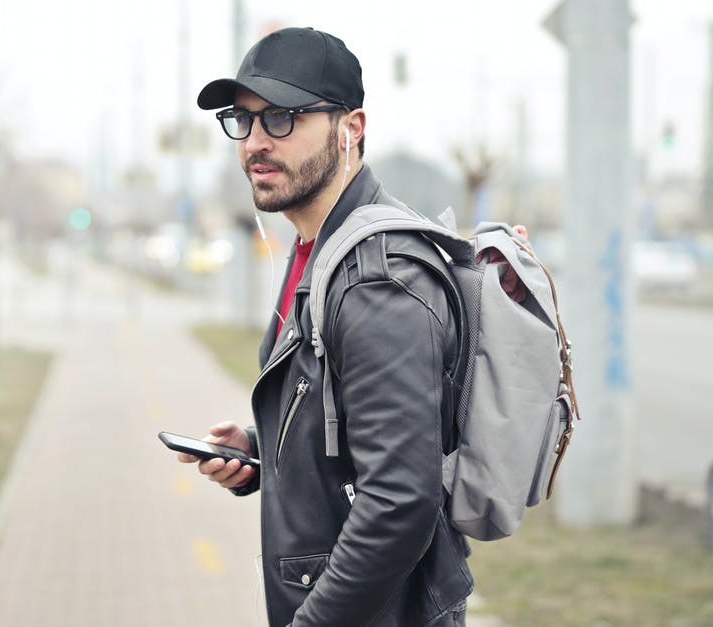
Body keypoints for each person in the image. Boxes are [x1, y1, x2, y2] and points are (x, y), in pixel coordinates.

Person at [176, 27, 473, 626]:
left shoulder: (376, 280)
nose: (256, 141)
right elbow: (356, 439)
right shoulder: (319, 246)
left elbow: (398, 503)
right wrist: (262, 457)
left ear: (351, 128)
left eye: (283, 118)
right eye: (244, 119)